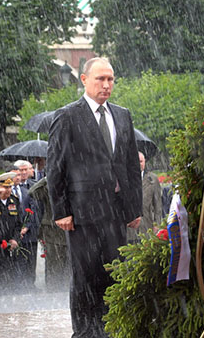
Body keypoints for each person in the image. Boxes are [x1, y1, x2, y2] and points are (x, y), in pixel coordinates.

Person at [47, 57, 142, 337]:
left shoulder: (122, 115)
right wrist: (60, 210)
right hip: (81, 212)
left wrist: (133, 207)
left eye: (110, 79)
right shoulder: (67, 116)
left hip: (114, 211)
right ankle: (85, 333)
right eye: (100, 78)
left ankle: (112, 330)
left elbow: (129, 166)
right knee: (85, 277)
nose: (106, 84)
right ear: (84, 80)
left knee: (114, 274)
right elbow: (55, 166)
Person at [29, 177, 70, 291]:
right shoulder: (49, 185)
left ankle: (67, 293)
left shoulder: (73, 182)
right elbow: (33, 192)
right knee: (54, 267)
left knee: (69, 267)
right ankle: (53, 294)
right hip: (52, 233)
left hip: (70, 230)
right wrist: (47, 178)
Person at [9, 166, 40, 291]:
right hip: (13, 234)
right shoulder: (5, 192)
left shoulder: (26, 191)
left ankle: (30, 285)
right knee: (17, 262)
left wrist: (26, 227)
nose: (18, 177)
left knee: (30, 261)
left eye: (18, 174)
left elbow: (34, 209)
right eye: (14, 175)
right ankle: (17, 286)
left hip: (29, 233)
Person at [127, 151, 163, 243]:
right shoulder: (125, 178)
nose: (138, 164)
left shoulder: (152, 179)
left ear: (145, 161)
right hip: (130, 231)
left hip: (147, 228)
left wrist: (157, 224)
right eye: (136, 161)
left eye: (140, 161)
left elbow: (158, 205)